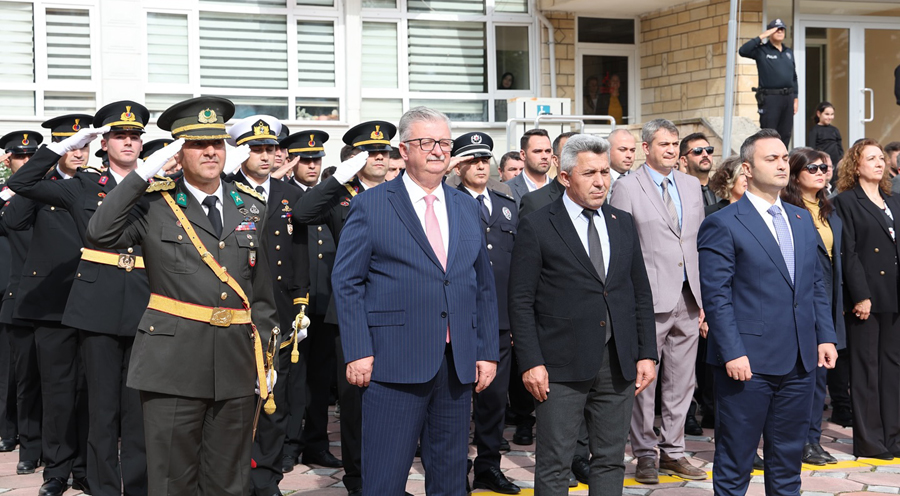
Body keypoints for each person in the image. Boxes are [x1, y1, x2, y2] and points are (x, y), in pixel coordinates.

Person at [86, 96, 280, 495]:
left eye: (217, 143)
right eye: (196, 143)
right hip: (172, 362)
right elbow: (100, 233)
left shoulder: (252, 208)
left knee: (230, 481)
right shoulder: (155, 203)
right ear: (178, 149)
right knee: (172, 479)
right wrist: (142, 175)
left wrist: (267, 358)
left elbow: (261, 297)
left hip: (236, 362)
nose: (210, 151)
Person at [332, 107, 499, 496]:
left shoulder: (464, 205)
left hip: (455, 365)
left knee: (451, 476)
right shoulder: (372, 205)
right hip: (393, 363)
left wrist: (486, 350)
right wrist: (358, 350)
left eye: (444, 142)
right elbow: (347, 281)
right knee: (385, 478)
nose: (438, 150)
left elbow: (484, 286)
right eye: (427, 142)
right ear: (404, 151)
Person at [9, 101, 152, 496]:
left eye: (135, 135)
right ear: (104, 143)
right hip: (95, 305)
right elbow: (21, 186)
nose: (128, 141)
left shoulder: (157, 188)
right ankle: (92, 481)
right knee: (98, 407)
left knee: (136, 412)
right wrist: (61, 147)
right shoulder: (84, 186)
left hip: (143, 304)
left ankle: (136, 486)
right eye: (119, 135)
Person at [509, 134, 657, 496]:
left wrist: (647, 353)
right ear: (565, 177)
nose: (600, 181)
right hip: (558, 365)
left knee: (609, 459)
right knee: (555, 462)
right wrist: (530, 361)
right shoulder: (539, 224)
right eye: (589, 173)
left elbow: (639, 292)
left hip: (618, 362)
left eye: (605, 172)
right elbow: (520, 299)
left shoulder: (622, 222)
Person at [699, 128, 838, 495]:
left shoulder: (799, 218)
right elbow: (717, 296)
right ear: (747, 168)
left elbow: (813, 285)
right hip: (747, 364)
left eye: (783, 157)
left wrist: (825, 336)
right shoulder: (723, 222)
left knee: (788, 462)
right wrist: (732, 351)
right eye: (770, 158)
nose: (782, 164)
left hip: (799, 361)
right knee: (735, 461)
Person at [293, 120, 399, 495]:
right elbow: (303, 213)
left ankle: (389, 479)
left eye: (384, 151)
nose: (380, 158)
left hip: (398, 311)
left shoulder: (400, 192)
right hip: (353, 312)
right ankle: (358, 481)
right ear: (356, 157)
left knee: (396, 403)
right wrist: (340, 177)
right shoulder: (341, 196)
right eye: (371, 153)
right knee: (355, 404)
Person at [609, 119, 708, 484]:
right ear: (646, 147)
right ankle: (645, 453)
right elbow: (621, 249)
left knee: (683, 381)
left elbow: (696, 244)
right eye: (663, 143)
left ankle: (674, 450)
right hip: (646, 299)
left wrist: (704, 301)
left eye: (675, 143)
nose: (671, 149)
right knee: (644, 381)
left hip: (689, 296)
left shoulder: (690, 185)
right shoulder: (626, 187)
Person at [227, 115, 311, 496]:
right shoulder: (227, 190)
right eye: (256, 148)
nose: (265, 155)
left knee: (274, 395)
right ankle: (233, 473)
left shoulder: (291, 195)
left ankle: (267, 476)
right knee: (237, 397)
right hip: (236, 307)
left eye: (270, 148)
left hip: (277, 308)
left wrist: (300, 303)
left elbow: (299, 254)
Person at [16, 116, 92, 485]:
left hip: (91, 298)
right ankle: (57, 470)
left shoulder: (96, 185)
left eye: (84, 147)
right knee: (57, 390)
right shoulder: (42, 186)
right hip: (51, 303)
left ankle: (85, 469)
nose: (79, 153)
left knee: (91, 390)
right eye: (71, 147)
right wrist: (49, 161)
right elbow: (14, 218)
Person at [450, 131, 520, 495]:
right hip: (459, 317)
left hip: (499, 320)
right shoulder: (448, 201)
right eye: (472, 160)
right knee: (459, 401)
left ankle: (489, 466)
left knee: (494, 400)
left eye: (485, 159)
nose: (481, 165)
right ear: (458, 165)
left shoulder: (506, 204)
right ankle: (453, 468)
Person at [832, 139, 900, 460]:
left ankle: (894, 437)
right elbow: (849, 251)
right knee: (867, 369)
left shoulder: (894, 200)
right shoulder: (846, 201)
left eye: (880, 158)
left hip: (895, 297)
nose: (879, 163)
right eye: (870, 158)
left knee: (893, 369)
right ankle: (871, 442)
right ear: (855, 165)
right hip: (868, 299)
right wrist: (860, 295)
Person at [278, 129, 338, 476]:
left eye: (318, 159)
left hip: (325, 300)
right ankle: (288, 445)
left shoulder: (329, 197)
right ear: (293, 161)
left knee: (319, 378)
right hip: (293, 301)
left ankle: (317, 443)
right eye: (306, 159)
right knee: (291, 378)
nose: (313, 165)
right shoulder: (285, 196)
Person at [780, 148, 844, 466]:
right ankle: (799, 441)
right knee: (804, 375)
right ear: (795, 174)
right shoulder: (787, 209)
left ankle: (812, 440)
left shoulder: (827, 209)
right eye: (813, 168)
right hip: (800, 303)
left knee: (821, 377)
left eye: (824, 167)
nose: (821, 172)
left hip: (828, 300)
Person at [0, 130, 45, 478]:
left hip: (55, 296)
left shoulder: (54, 193)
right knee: (19, 377)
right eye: (20, 157)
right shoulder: (6, 200)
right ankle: (21, 439)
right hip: (15, 295)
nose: (27, 163)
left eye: (34, 157)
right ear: (8, 160)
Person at [739, 19, 798, 147]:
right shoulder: (762, 51)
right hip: (770, 98)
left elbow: (793, 76)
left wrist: (795, 98)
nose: (780, 31)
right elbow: (743, 50)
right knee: (769, 133)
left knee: (786, 133)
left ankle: (782, 160)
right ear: (770, 31)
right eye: (776, 29)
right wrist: (762, 36)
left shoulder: (788, 52)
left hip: (787, 97)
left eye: (782, 29)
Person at [506, 129, 553, 205]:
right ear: (523, 155)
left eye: (548, 151)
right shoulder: (506, 190)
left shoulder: (562, 190)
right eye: (537, 151)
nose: (544, 156)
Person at [679, 133, 717, 207]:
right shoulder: (678, 192)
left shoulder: (723, 189)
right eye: (698, 151)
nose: (705, 154)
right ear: (684, 160)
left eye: (709, 150)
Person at [808, 102, 844, 169]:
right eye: (827, 114)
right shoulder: (815, 130)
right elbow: (812, 149)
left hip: (835, 164)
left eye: (832, 114)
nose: (830, 117)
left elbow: (840, 148)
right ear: (819, 114)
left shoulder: (835, 130)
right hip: (822, 163)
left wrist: (841, 159)